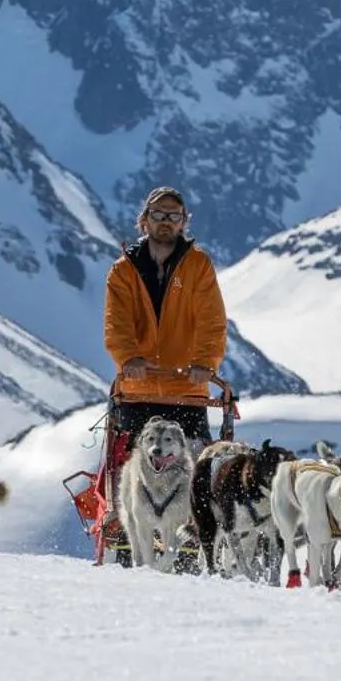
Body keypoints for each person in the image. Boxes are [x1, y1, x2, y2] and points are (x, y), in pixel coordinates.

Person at [101, 187, 228, 562]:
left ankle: (193, 528)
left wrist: (205, 362)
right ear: (144, 220)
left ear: (184, 222)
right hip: (137, 388)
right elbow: (116, 323)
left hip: (186, 388)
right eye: (158, 214)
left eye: (174, 216)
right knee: (132, 465)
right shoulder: (123, 271)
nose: (166, 222)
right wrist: (128, 356)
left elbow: (211, 320)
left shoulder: (198, 265)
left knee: (196, 462)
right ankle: (126, 524)